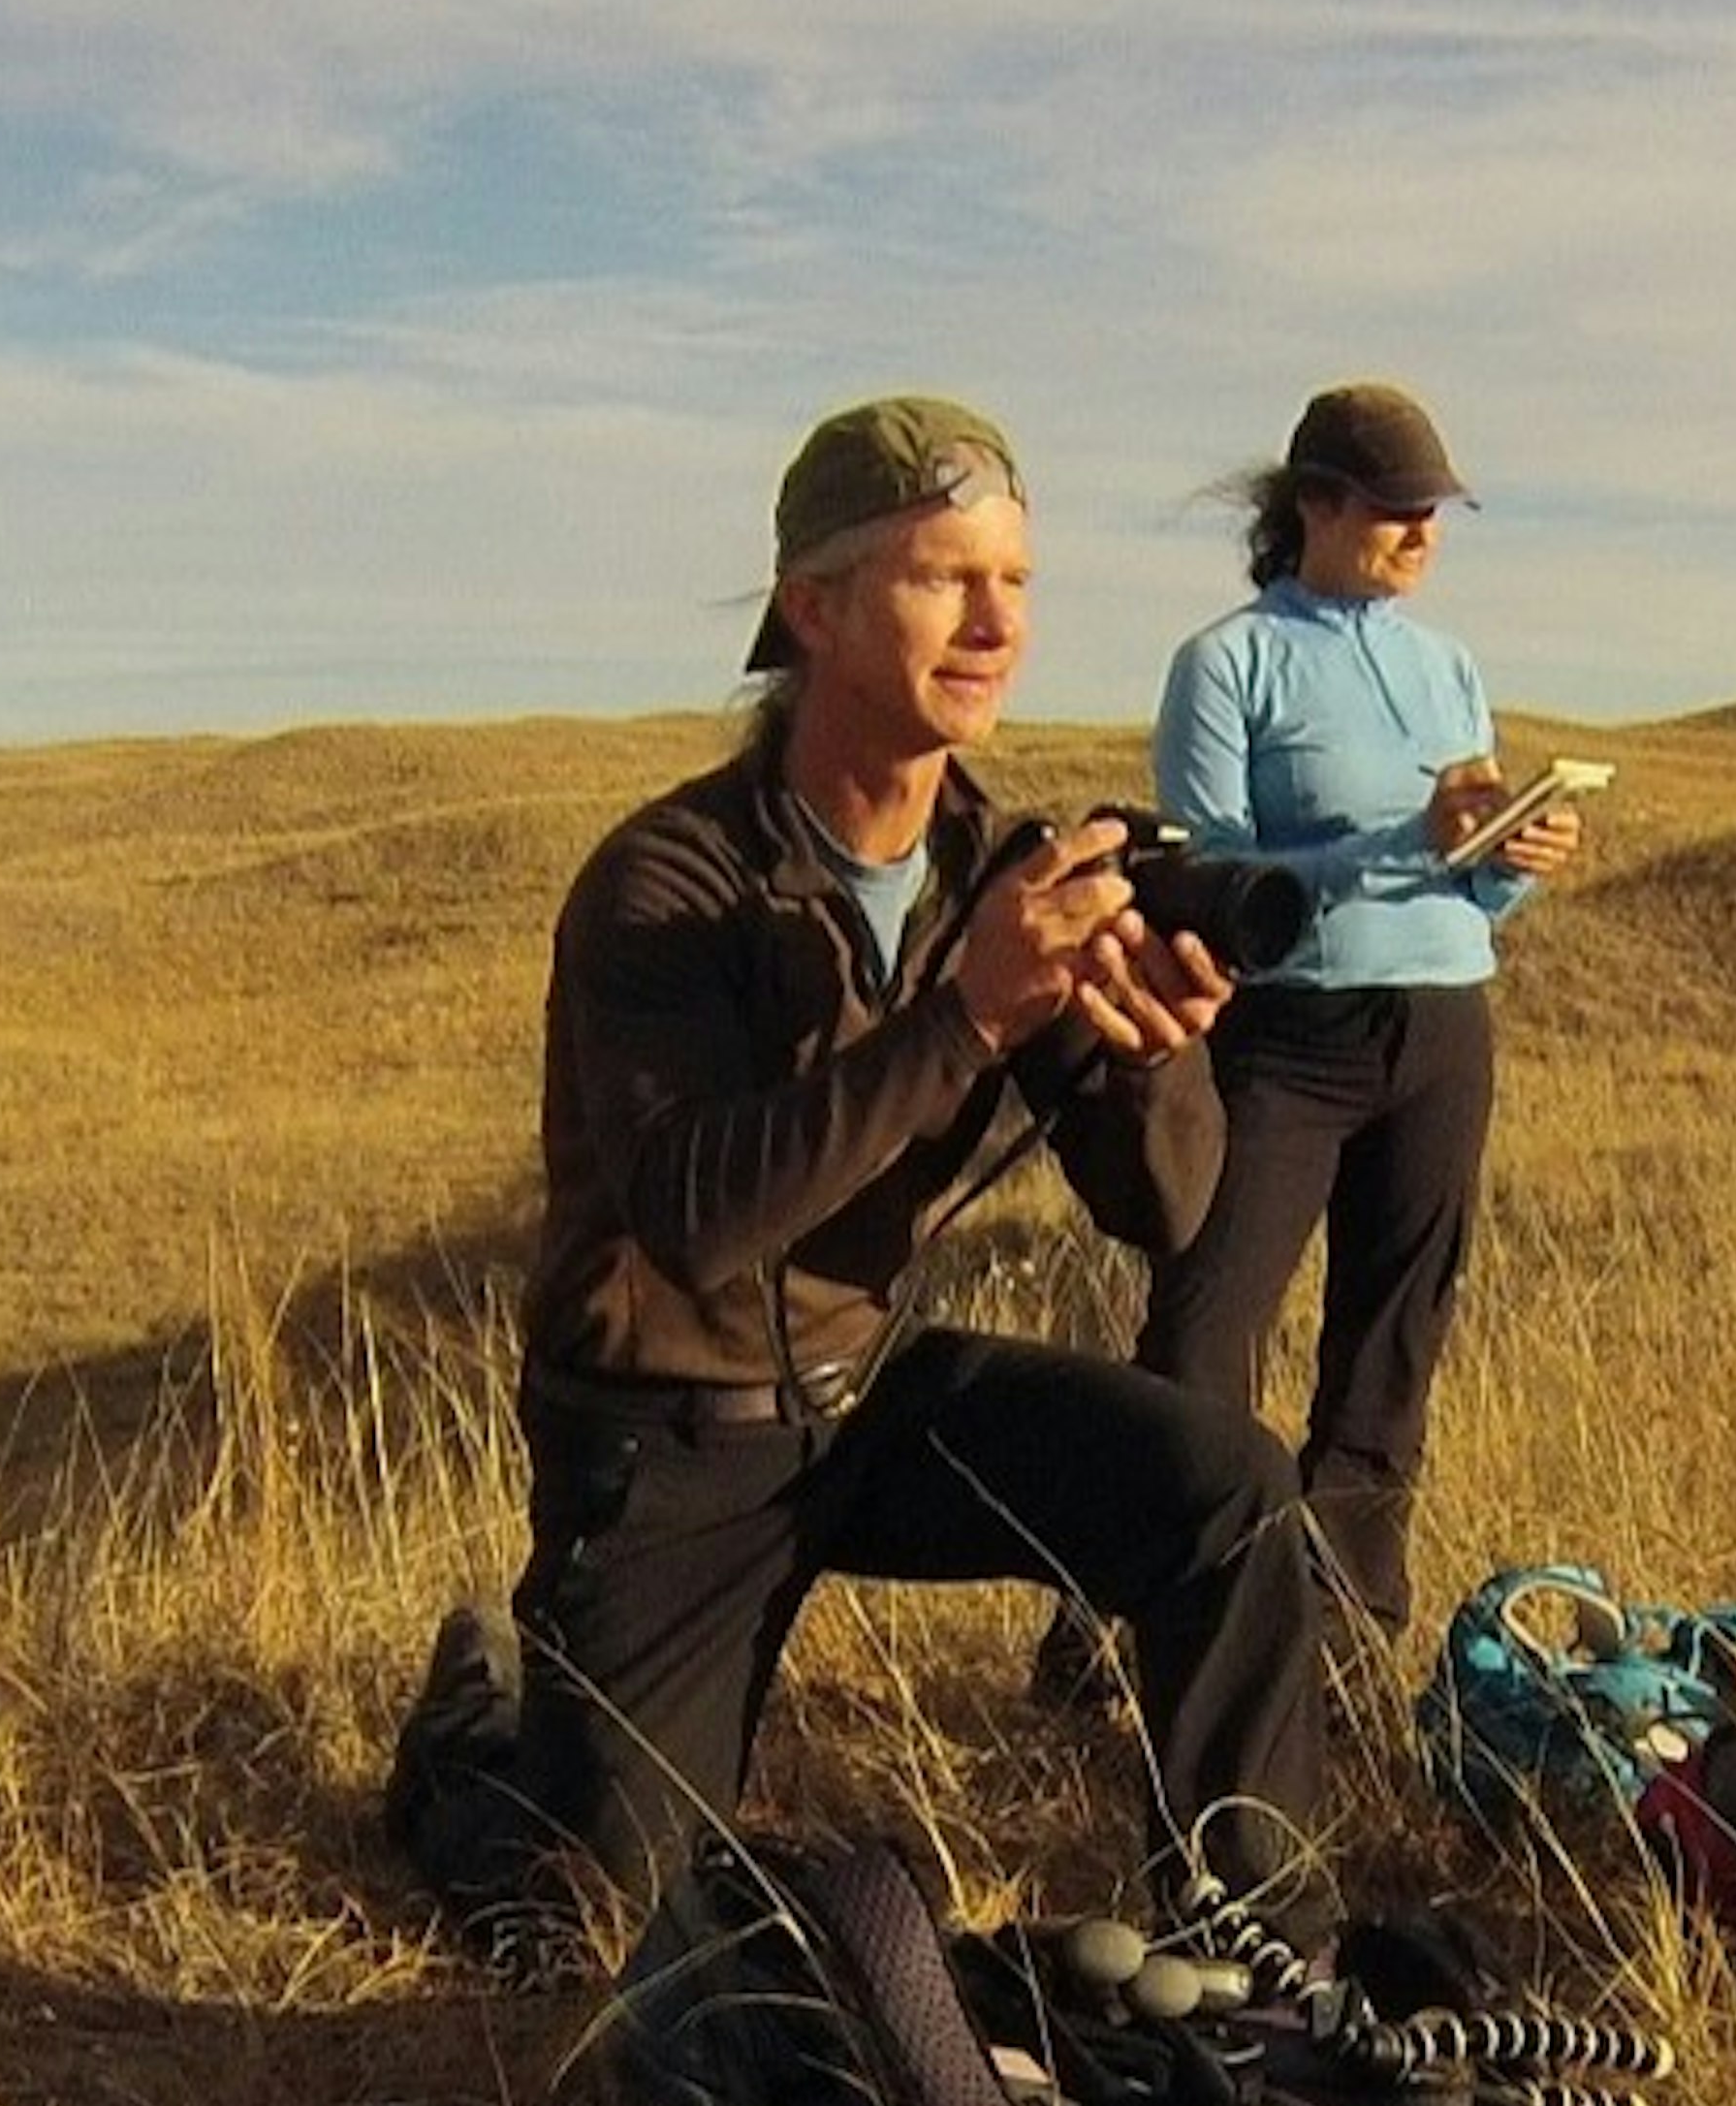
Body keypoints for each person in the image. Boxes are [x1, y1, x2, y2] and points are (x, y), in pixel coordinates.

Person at [384, 394, 1334, 1983]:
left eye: (1018, 581)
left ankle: (1266, 1964)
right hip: (667, 1441)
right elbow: (694, 1213)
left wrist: (1149, 1043)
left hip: (869, 1394)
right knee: (591, 1922)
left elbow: (1166, 1212)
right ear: (812, 607)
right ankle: (473, 1734)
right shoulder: (672, 882)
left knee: (1227, 1485)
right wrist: (963, 1011)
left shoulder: (995, 868)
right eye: (944, 575)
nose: (995, 620)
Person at [1038, 382, 1580, 1690]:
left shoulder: (1446, 665)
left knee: (1394, 1335)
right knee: (1207, 1323)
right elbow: (1215, 876)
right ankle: (1113, 1625)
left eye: (1435, 512)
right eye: (1397, 508)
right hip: (1289, 1034)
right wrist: (1409, 840)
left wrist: (1515, 856)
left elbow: (1465, 872)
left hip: (1446, 1020)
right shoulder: (1229, 662)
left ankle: (1338, 1634)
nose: (1420, 533)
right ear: (1315, 506)